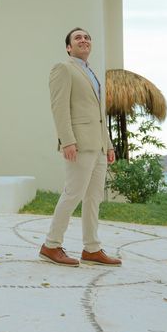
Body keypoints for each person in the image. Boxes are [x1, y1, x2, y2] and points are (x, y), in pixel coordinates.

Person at [39, 28, 122, 267]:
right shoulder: (63, 69)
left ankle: (92, 248)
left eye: (87, 37)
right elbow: (59, 107)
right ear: (68, 47)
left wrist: (108, 145)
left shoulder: (91, 73)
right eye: (78, 38)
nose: (83, 40)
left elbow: (98, 114)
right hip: (79, 144)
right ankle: (51, 245)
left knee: (94, 197)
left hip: (97, 146)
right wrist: (67, 141)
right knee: (73, 193)